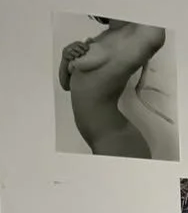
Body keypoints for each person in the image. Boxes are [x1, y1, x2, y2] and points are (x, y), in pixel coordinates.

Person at [58, 16, 169, 158]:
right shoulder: (102, 36)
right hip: (101, 143)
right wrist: (65, 58)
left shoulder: (141, 33)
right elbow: (66, 85)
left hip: (119, 143)